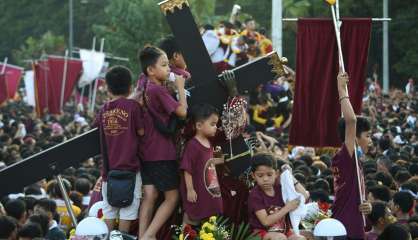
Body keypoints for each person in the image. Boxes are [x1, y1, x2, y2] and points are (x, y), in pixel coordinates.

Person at [137, 46, 187, 240]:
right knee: (172, 197)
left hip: (146, 151)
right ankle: (149, 235)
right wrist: (181, 88)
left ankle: (142, 235)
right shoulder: (157, 89)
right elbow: (181, 112)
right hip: (162, 152)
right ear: (151, 70)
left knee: (150, 195)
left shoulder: (144, 87)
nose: (169, 69)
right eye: (164, 65)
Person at [95, 65, 143, 233]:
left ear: (108, 88)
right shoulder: (133, 107)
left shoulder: (103, 110)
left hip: (109, 171)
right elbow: (141, 131)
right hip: (131, 169)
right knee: (127, 212)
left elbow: (97, 128)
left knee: (109, 211)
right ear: (130, 86)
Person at [331, 72, 373, 239]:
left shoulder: (355, 160)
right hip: (346, 228)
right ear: (354, 137)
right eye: (367, 135)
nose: (370, 140)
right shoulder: (346, 156)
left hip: (352, 223)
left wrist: (367, 207)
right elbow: (351, 121)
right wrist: (341, 89)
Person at [180, 103, 223, 226]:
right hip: (196, 189)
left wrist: (220, 156)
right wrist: (190, 190)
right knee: (191, 217)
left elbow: (213, 162)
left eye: (216, 124)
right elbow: (187, 169)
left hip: (208, 188)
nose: (216, 127)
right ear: (199, 125)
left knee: (208, 217)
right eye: (212, 124)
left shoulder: (210, 142)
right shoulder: (193, 145)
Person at [247, 154, 308, 240]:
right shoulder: (255, 194)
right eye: (260, 176)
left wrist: (290, 176)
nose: (265, 179)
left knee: (300, 238)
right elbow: (265, 221)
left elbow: (304, 196)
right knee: (280, 238)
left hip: (284, 231)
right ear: (253, 176)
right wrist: (287, 208)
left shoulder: (281, 188)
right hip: (262, 232)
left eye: (269, 175)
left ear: (276, 173)